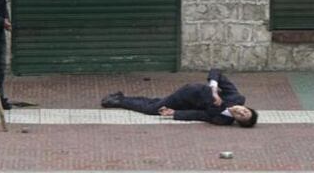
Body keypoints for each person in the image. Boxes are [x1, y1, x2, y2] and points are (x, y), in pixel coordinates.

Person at [101, 69, 258, 127]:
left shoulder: (223, 120)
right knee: (152, 110)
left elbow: (200, 116)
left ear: (238, 121)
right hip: (189, 93)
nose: (241, 112)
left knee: (158, 104)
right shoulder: (235, 97)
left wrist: (174, 114)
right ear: (245, 107)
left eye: (242, 116)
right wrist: (214, 90)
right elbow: (215, 72)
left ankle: (121, 97)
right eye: (245, 111)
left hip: (189, 106)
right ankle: (119, 101)